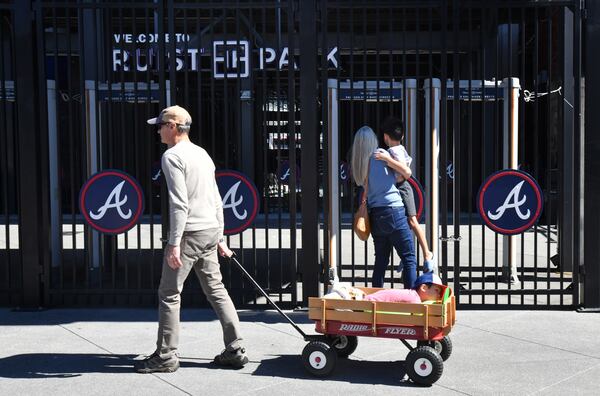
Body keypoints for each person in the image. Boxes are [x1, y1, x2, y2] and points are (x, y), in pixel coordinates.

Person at [135, 105, 248, 373]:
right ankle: (235, 347)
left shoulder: (172, 156)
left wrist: (174, 243)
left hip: (189, 233)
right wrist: (220, 236)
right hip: (208, 230)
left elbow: (179, 204)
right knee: (216, 290)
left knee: (169, 294)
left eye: (161, 125)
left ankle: (166, 355)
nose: (158, 131)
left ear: (173, 127)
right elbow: (216, 199)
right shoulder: (202, 154)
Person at [351, 126, 417, 289]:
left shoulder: (358, 163)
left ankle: (376, 302)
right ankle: (411, 301)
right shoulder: (380, 155)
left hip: (375, 214)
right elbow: (406, 173)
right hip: (393, 210)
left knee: (380, 260)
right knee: (409, 257)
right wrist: (390, 160)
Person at [379, 116, 436, 273]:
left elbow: (404, 172)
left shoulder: (390, 152)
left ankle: (427, 253)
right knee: (405, 224)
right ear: (402, 136)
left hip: (402, 188)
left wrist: (387, 160)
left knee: (411, 221)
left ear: (385, 137)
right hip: (400, 188)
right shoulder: (401, 148)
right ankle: (409, 256)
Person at [364, 272, 447, 303]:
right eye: (437, 290)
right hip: (368, 304)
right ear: (424, 288)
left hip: (369, 301)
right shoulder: (415, 300)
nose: (439, 295)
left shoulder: (412, 294)